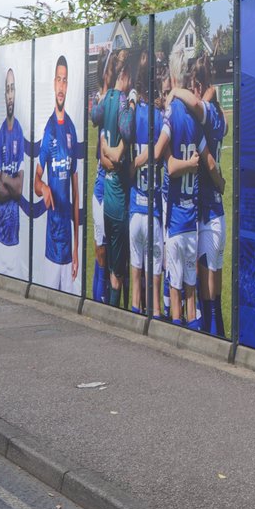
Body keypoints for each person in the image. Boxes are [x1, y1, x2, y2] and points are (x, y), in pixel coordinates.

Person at [168, 56, 228, 335]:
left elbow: (194, 104)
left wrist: (175, 91)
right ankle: (221, 336)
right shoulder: (221, 115)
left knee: (205, 289)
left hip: (204, 212)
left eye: (194, 86)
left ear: (197, 84)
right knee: (214, 287)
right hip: (217, 212)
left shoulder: (205, 112)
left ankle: (213, 340)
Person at [162, 57, 206, 327]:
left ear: (172, 77)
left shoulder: (172, 113)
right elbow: (208, 159)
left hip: (176, 219)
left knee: (175, 290)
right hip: (192, 220)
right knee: (192, 291)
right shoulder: (194, 116)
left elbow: (165, 162)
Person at [33, 55, 80, 294]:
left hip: (68, 248)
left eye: (65, 81)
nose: (61, 87)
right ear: (53, 83)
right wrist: (44, 188)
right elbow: (36, 180)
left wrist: (76, 249)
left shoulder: (71, 128)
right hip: (53, 245)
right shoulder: (49, 130)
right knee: (51, 309)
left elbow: (76, 192)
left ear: (67, 85)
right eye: (58, 80)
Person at [122, 48, 164, 317]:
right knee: (156, 294)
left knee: (136, 281)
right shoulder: (160, 117)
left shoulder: (133, 114)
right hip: (154, 212)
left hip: (135, 210)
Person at [95, 49, 133, 309]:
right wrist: (130, 103)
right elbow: (127, 129)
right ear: (125, 74)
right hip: (118, 195)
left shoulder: (106, 97)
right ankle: (113, 313)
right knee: (118, 268)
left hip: (106, 191)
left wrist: (105, 148)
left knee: (110, 258)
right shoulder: (120, 100)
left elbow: (94, 116)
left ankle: (108, 305)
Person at [88, 51, 122, 302]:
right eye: (113, 68)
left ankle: (112, 301)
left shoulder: (118, 99)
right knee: (101, 248)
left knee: (116, 252)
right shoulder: (100, 98)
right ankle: (98, 300)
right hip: (102, 187)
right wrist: (105, 91)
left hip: (119, 185)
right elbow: (95, 118)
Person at [0, 67, 27, 280]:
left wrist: (5, 179)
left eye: (13, 88)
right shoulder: (1, 132)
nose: (10, 94)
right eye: (8, 89)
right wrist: (8, 182)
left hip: (15, 235)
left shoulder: (20, 132)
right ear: (4, 95)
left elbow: (19, 188)